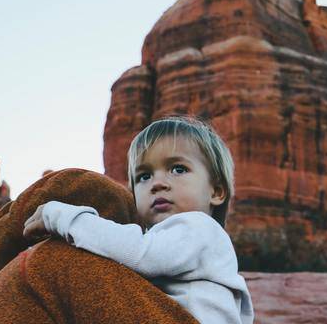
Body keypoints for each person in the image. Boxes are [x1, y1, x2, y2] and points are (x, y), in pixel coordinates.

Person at [23, 116, 254, 324]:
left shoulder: (199, 227)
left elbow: (141, 253)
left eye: (178, 169)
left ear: (216, 192)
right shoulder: (195, 245)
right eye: (144, 176)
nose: (158, 183)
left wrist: (62, 217)